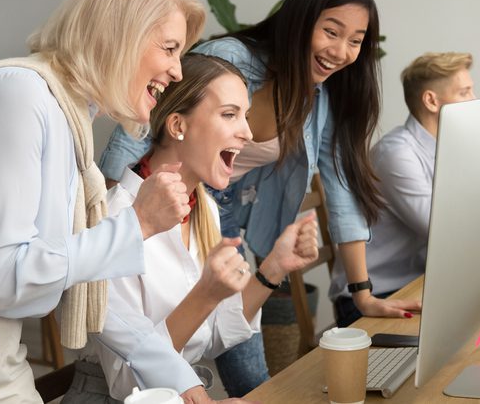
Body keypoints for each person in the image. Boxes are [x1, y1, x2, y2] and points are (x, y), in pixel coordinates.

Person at [97, 0, 421, 396]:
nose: (341, 51)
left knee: (249, 371)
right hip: (164, 206)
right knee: (183, 356)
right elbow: (146, 119)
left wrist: (361, 294)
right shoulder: (230, 60)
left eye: (356, 41)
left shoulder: (318, 96)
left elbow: (340, 187)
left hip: (215, 220)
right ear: (302, 20)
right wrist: (105, 224)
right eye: (331, 31)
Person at [0, 0, 207, 402]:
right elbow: (6, 276)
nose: (177, 71)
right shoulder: (19, 94)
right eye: (170, 48)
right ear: (121, 35)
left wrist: (179, 377)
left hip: (2, 351)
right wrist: (136, 224)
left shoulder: (69, 121)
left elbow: (84, 282)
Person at [63, 53, 319, 403]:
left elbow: (212, 334)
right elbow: (127, 382)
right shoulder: (115, 219)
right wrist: (206, 294)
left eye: (244, 115)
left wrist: (275, 267)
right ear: (178, 126)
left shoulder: (205, 210)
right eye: (229, 115)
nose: (246, 132)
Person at [329, 51, 476, 327]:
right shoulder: (396, 154)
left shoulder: (451, 147)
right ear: (431, 100)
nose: (474, 101)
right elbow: (445, 232)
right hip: (375, 297)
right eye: (465, 92)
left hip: (418, 285)